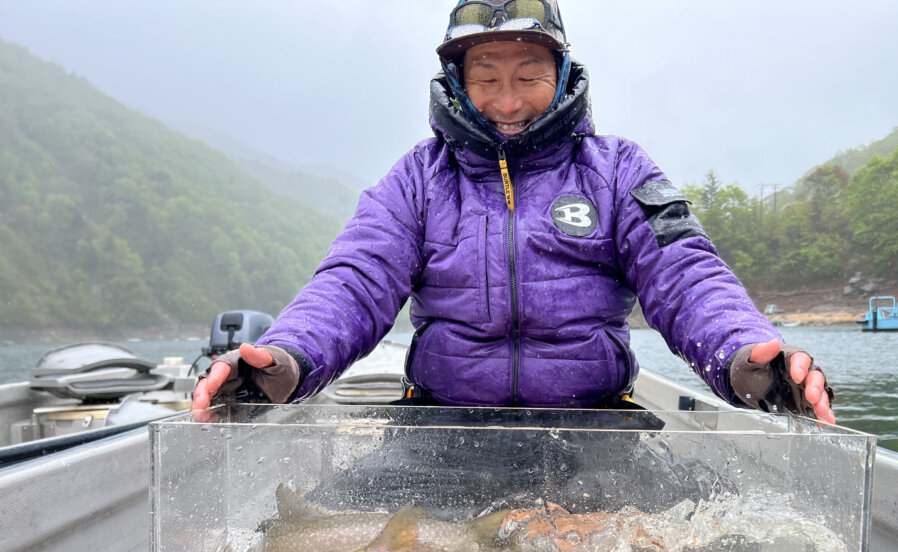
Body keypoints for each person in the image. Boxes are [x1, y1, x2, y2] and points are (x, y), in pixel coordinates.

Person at [191, 0, 834, 424]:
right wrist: (285, 359)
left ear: (561, 74)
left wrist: (748, 360)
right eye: (485, 76)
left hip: (595, 427)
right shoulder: (417, 178)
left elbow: (687, 275)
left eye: (529, 74)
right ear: (458, 85)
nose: (507, 100)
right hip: (438, 424)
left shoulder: (621, 169)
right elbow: (353, 281)